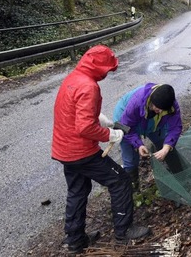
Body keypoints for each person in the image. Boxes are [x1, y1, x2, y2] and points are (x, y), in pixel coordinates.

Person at [51, 45, 150, 254]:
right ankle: (124, 230)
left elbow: (78, 114)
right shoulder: (89, 87)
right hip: (81, 152)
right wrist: (111, 135)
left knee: (78, 191)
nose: (107, 74)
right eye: (107, 69)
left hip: (64, 150)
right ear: (98, 67)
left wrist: (105, 122)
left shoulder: (73, 79)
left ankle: (75, 240)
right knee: (120, 180)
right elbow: (85, 127)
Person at [112, 83, 183, 188]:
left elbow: (175, 127)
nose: (160, 112)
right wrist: (139, 145)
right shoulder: (136, 103)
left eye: (163, 110)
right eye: (158, 109)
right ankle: (134, 189)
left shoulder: (170, 105)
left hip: (153, 124)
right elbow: (127, 126)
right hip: (125, 122)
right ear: (152, 101)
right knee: (130, 159)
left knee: (165, 144)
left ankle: (182, 178)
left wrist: (167, 147)